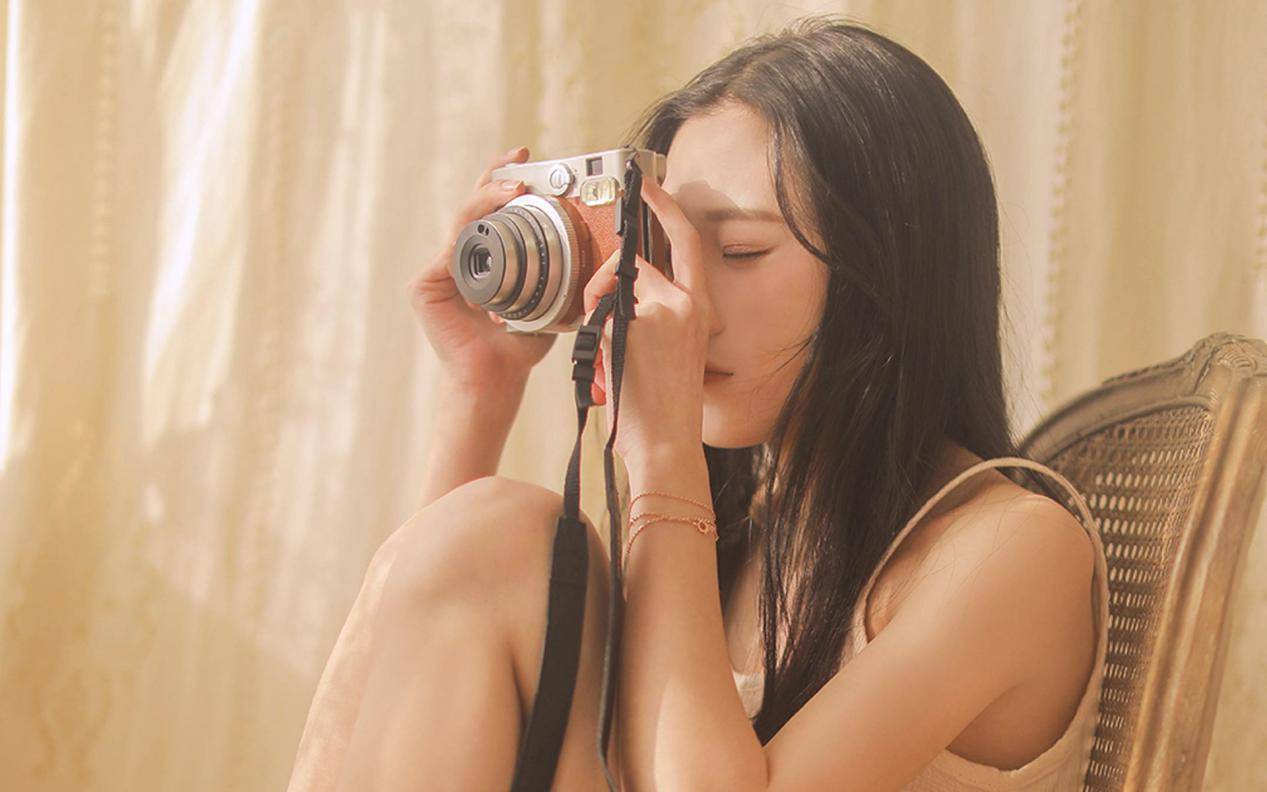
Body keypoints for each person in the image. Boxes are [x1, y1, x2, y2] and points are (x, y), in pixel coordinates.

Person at [287, 14, 1108, 792]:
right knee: (496, 537)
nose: (682, 294)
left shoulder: (1013, 547)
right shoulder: (746, 524)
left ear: (889, 275)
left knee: (501, 534)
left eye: (740, 250)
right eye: (664, 243)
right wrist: (482, 388)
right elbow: (418, 626)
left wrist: (661, 452)